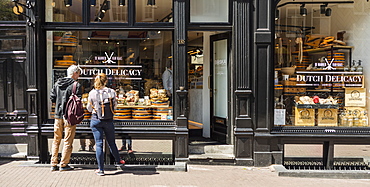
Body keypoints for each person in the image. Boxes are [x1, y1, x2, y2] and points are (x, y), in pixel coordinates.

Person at [87, 73, 125, 176]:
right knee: (111, 142)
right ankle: (118, 160)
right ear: (106, 81)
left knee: (99, 144)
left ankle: (101, 169)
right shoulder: (111, 92)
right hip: (108, 120)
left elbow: (89, 108)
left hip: (96, 120)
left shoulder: (92, 93)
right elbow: (115, 106)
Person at [50, 65, 82, 172]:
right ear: (74, 73)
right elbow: (79, 101)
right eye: (78, 73)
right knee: (68, 140)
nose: (79, 76)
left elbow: (52, 98)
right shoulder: (75, 85)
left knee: (56, 140)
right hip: (69, 117)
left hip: (58, 116)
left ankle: (53, 163)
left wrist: (59, 105)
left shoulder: (57, 83)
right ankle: (63, 164)